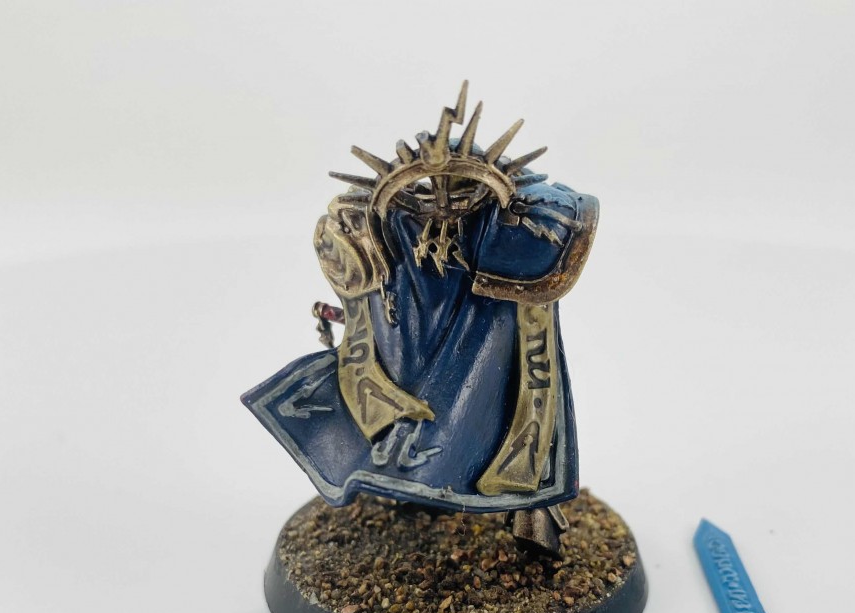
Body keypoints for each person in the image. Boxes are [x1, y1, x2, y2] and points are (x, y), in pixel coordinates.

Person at [242, 84, 599, 555]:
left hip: (489, 355)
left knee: (511, 420)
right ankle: (417, 484)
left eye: (457, 192)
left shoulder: (520, 221)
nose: (443, 204)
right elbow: (364, 288)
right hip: (407, 356)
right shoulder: (381, 224)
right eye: (432, 193)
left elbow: (546, 238)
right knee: (410, 427)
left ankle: (529, 510)